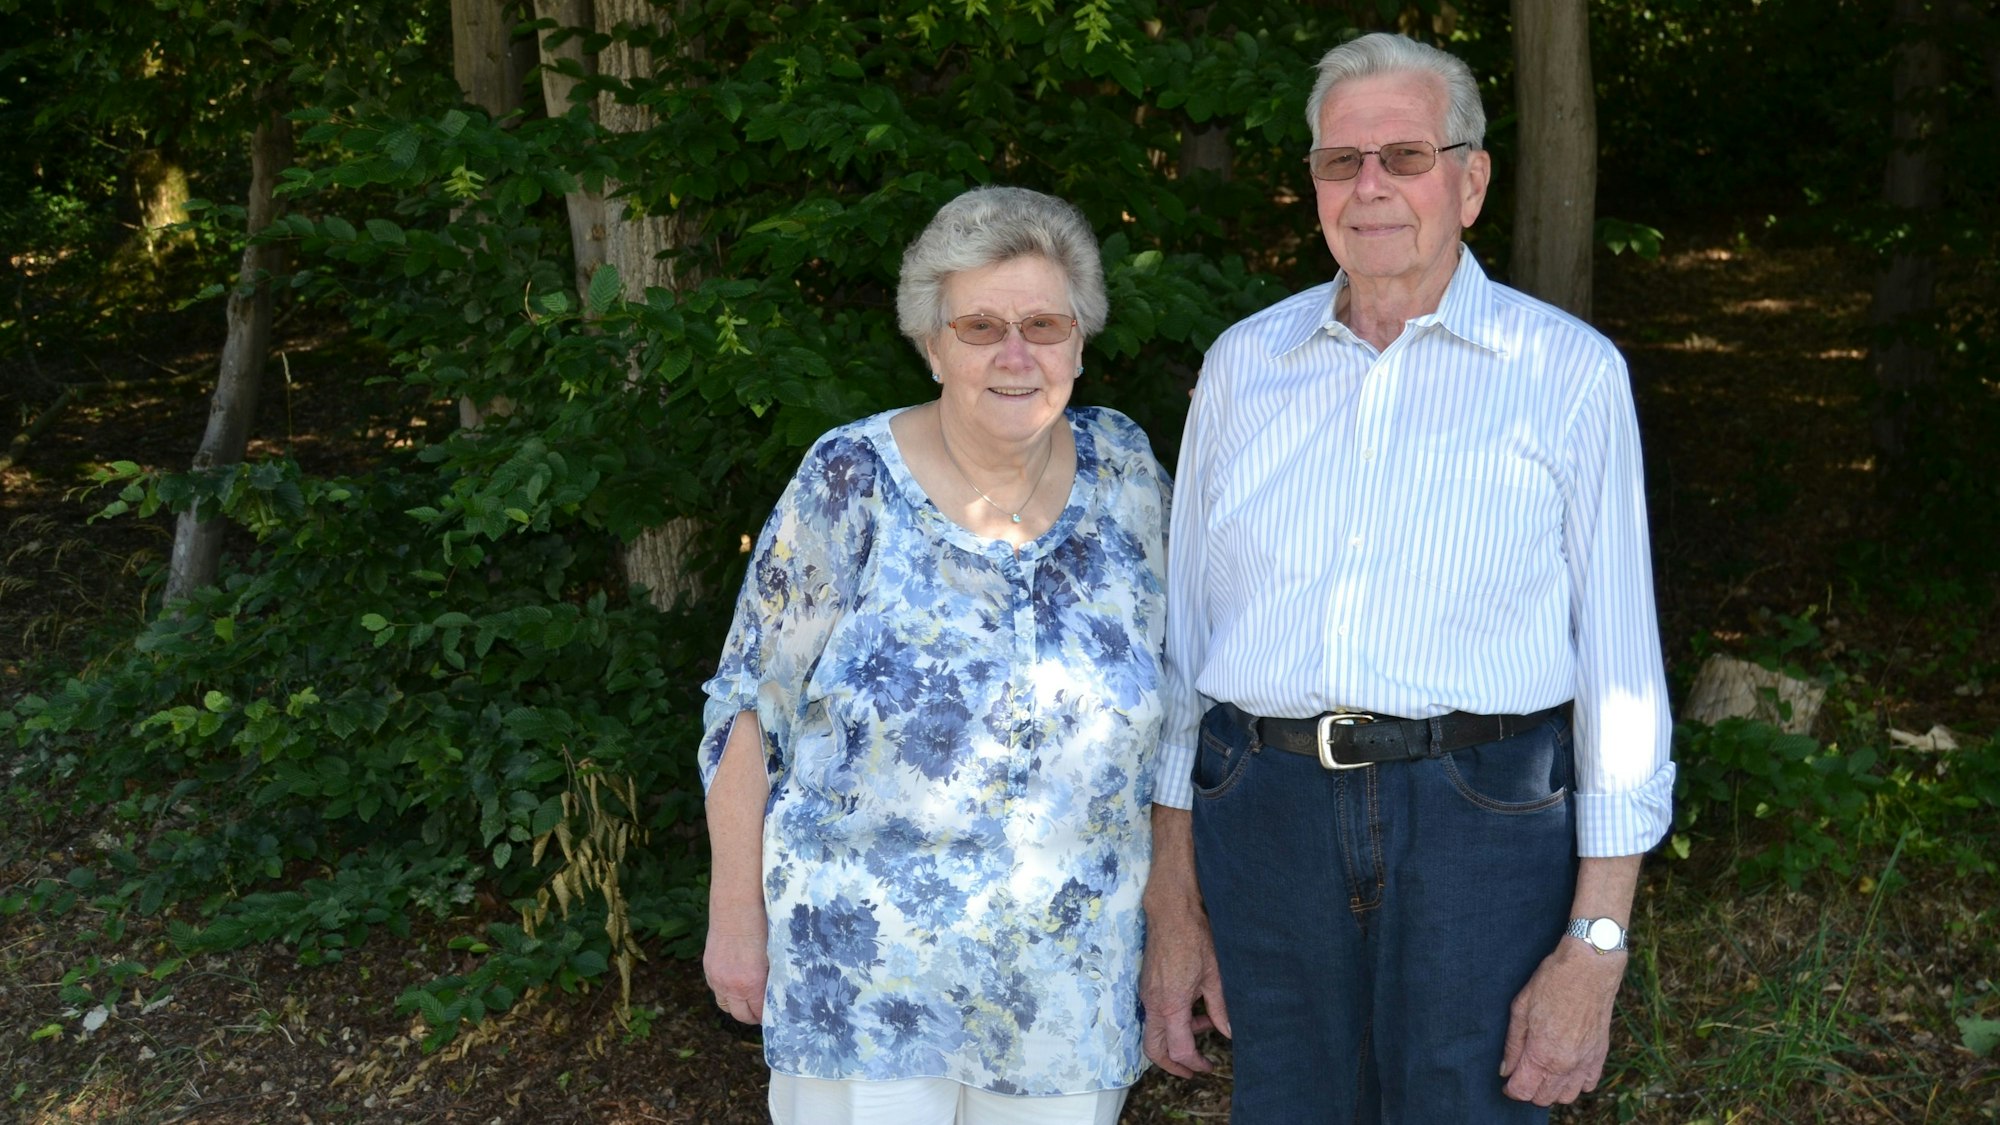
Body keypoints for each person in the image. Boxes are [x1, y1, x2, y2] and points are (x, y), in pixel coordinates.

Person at [1138, 31, 1676, 1123]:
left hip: (1480, 816)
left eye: (1406, 156)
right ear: (1314, 188)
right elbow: (1183, 649)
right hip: (1264, 809)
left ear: (1470, 183)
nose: (1370, 185)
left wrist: (1597, 940)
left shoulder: (1567, 373)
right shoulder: (1243, 366)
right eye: (1342, 161)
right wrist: (1173, 900)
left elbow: (1620, 672)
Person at [699, 185, 1171, 1125]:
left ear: (1081, 340)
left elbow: (1184, 705)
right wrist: (734, 916)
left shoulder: (1127, 474)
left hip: (1067, 984)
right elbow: (752, 701)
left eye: (1043, 325)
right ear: (932, 343)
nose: (1014, 355)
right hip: (865, 979)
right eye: (980, 326)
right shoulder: (850, 478)